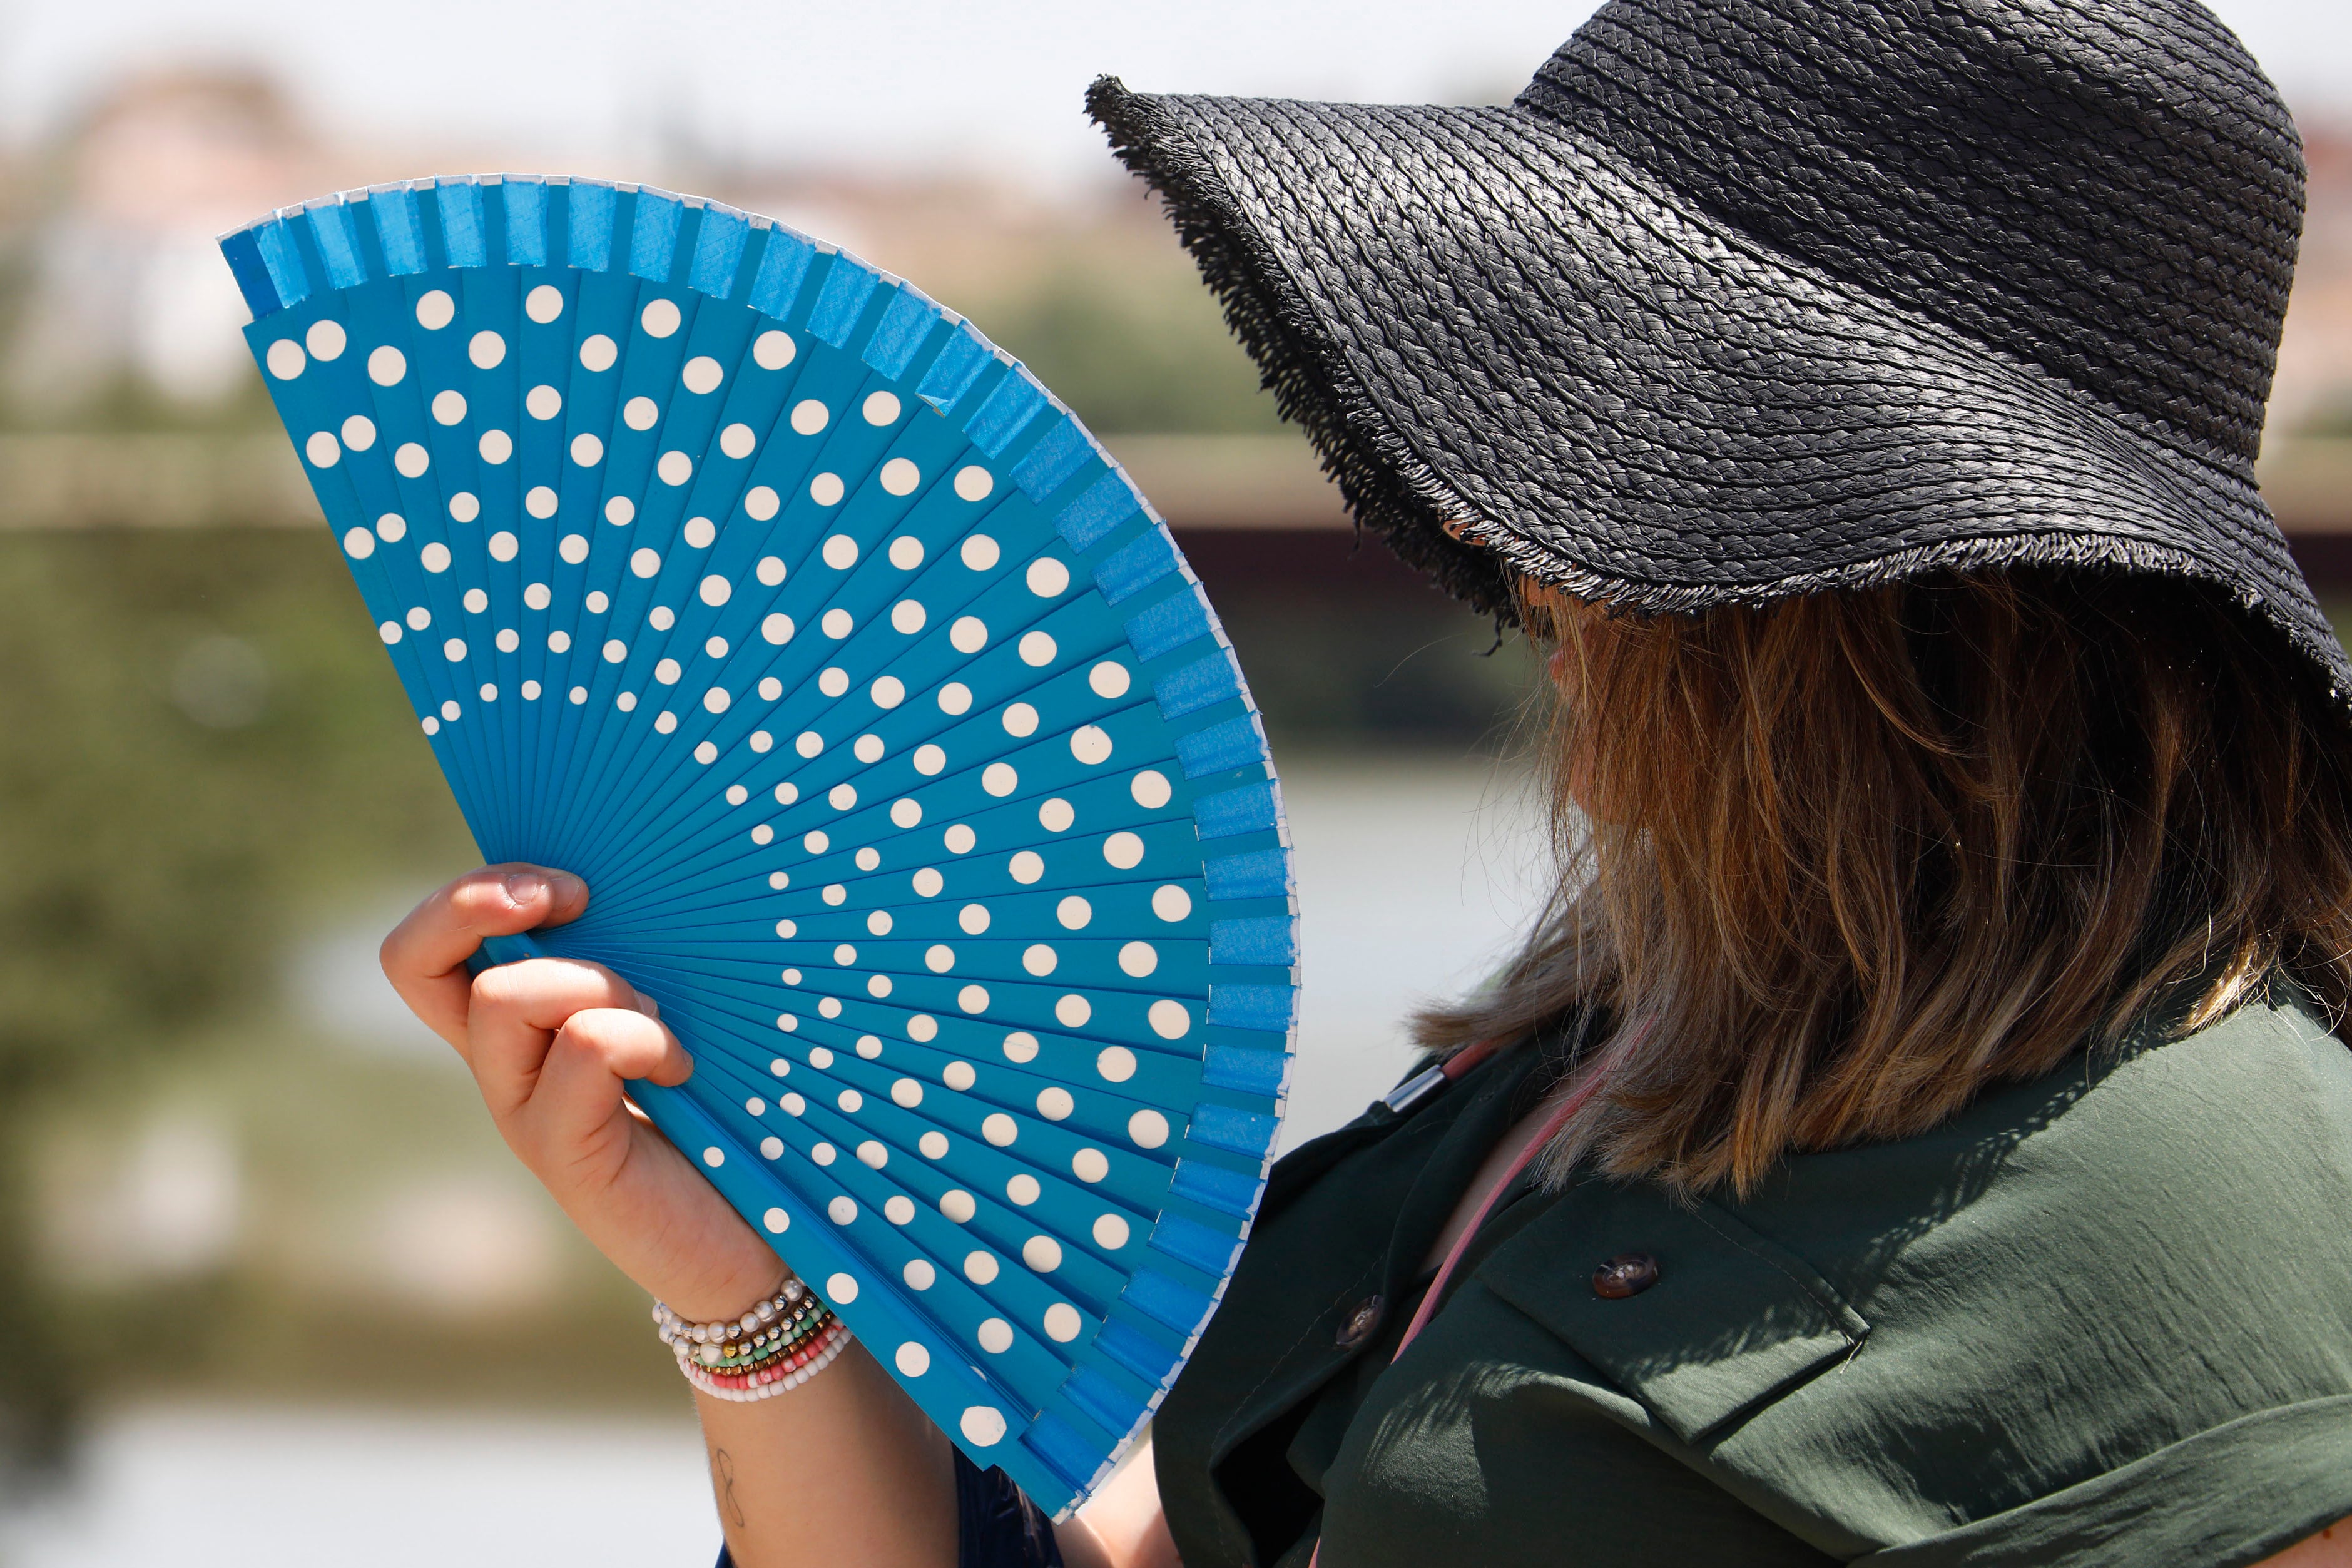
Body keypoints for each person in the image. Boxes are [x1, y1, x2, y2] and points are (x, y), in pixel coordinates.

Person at [380, 1, 2352, 1563]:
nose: (1512, 549)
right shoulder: (1590, 1056)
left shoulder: (2227, 1211)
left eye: (1607, 443)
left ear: (1870, 589)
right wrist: (750, 1294)